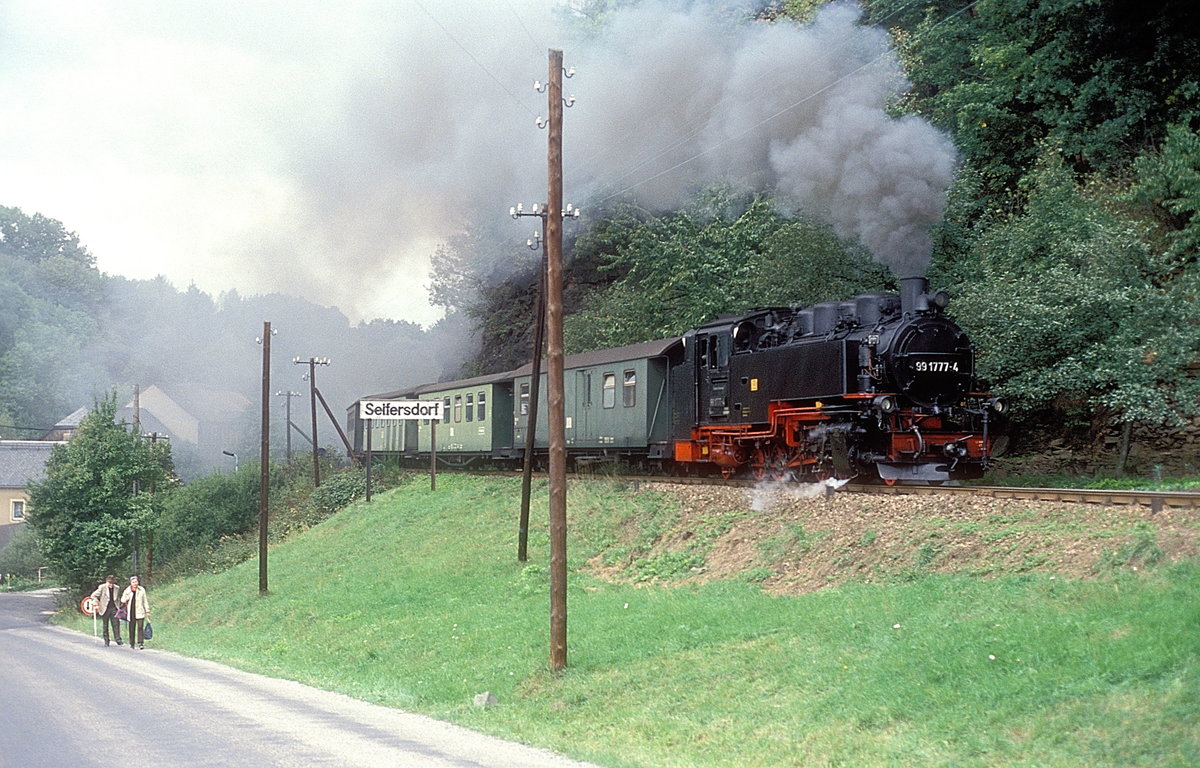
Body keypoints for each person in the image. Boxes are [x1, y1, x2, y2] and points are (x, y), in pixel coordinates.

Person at [90, 574, 123, 646]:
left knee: (116, 624)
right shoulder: (102, 587)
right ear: (107, 582)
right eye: (109, 583)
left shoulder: (117, 588)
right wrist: (96, 601)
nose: (111, 585)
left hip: (114, 608)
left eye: (112, 583)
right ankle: (106, 640)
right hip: (105, 608)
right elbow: (93, 595)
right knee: (105, 625)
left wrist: (119, 606)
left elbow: (118, 598)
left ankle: (118, 639)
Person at [120, 575, 150, 650]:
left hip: (140, 610)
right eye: (133, 582)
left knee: (140, 627)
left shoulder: (141, 590)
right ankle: (132, 643)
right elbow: (122, 600)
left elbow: (145, 601)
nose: (135, 583)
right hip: (131, 611)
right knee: (131, 627)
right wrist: (128, 596)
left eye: (136, 582)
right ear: (130, 583)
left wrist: (147, 610)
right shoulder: (127, 590)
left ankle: (140, 643)